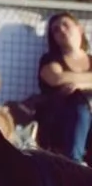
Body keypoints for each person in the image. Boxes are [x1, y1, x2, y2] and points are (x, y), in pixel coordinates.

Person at [37, 11, 92, 162]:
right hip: (60, 120)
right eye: (55, 29)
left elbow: (68, 79)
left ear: (79, 29)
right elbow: (57, 78)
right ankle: (73, 164)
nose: (61, 30)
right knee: (80, 104)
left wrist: (79, 84)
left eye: (65, 25)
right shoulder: (50, 60)